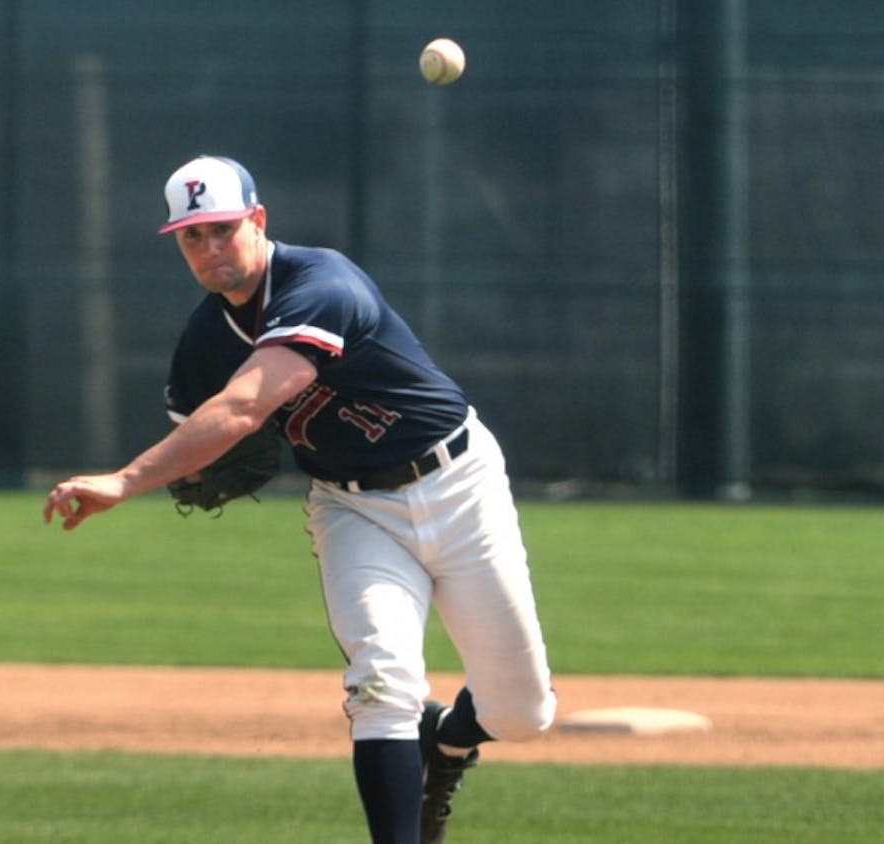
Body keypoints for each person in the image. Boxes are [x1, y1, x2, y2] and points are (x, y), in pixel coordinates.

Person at [43, 154, 557, 844]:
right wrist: (198, 461)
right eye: (192, 236)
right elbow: (203, 431)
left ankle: (447, 742)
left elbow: (244, 406)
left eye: (223, 228)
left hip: (458, 483)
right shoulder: (203, 343)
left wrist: (127, 480)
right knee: (381, 684)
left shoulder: (323, 283)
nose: (210, 247)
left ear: (257, 220)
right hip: (354, 511)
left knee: (523, 712)